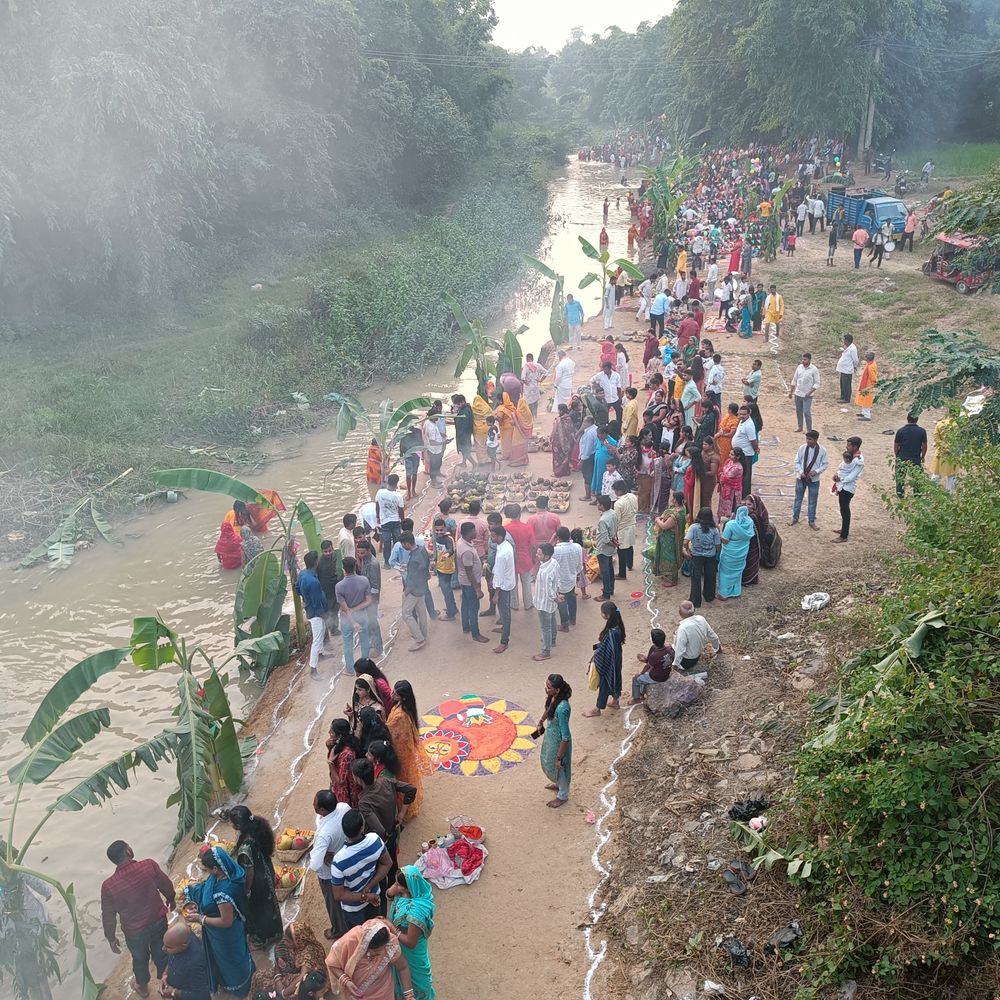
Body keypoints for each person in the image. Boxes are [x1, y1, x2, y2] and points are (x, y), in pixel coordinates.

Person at [101, 841, 175, 998]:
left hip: (134, 932)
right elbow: (165, 884)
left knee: (140, 958)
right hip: (157, 920)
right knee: (162, 951)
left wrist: (111, 938)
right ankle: (167, 984)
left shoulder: (108, 886)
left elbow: (108, 916)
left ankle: (142, 987)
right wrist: (171, 898)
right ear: (128, 851)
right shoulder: (148, 865)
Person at [184, 846, 255, 998]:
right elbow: (208, 884)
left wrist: (200, 918)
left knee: (229, 960)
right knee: (237, 955)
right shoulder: (232, 873)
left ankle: (239, 986)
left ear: (216, 869)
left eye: (208, 869)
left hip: (225, 935)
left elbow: (226, 921)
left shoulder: (222, 894)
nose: (207, 873)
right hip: (234, 928)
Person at [223, 806, 283, 949]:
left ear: (238, 826)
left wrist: (247, 890)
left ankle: (262, 939)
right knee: (269, 903)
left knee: (259, 909)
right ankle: (276, 932)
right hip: (267, 871)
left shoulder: (245, 848)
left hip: (257, 882)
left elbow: (249, 872)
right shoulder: (258, 829)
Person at [329, 811, 393, 931]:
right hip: (374, 896)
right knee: (375, 930)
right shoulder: (374, 840)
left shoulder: (338, 861)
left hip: (353, 909)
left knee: (359, 936)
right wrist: (370, 886)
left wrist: (365, 896)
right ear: (362, 827)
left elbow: (339, 895)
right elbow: (387, 863)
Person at [325, 917, 414, 1000]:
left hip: (384, 992)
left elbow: (403, 968)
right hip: (358, 995)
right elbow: (332, 964)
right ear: (365, 945)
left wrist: (409, 996)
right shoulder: (348, 942)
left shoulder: (390, 944)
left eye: (383, 948)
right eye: (376, 951)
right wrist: (345, 981)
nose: (381, 953)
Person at [387, 867, 436, 999]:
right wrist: (393, 890)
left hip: (411, 952)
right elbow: (390, 894)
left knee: (417, 980)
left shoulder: (416, 911)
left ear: (408, 888)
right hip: (400, 945)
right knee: (400, 974)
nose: (395, 886)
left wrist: (392, 929)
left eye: (398, 884)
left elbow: (411, 942)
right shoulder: (408, 891)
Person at [311, 789, 351, 941]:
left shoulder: (324, 834)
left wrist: (318, 852)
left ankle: (338, 930)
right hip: (344, 860)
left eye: (315, 804)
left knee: (333, 904)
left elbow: (315, 865)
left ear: (323, 810)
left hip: (329, 873)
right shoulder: (343, 807)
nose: (313, 805)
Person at [530, 673, 573, 806]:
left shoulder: (562, 708)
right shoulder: (554, 698)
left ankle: (563, 795)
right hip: (551, 737)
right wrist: (541, 721)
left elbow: (565, 736)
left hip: (560, 742)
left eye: (549, 687)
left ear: (557, 690)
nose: (546, 688)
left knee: (559, 767)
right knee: (550, 762)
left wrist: (559, 756)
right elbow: (549, 709)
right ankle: (558, 784)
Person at [253, 921, 327, 998]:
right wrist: (278, 978)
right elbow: (278, 961)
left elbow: (302, 978)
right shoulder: (293, 945)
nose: (285, 943)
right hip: (289, 973)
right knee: (258, 976)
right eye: (285, 939)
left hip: (307, 981)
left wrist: (283, 993)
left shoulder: (308, 954)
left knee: (272, 991)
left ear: (298, 941)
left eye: (288, 941)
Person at [583, 601, 626, 718]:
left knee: (605, 684)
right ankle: (615, 701)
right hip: (616, 660)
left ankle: (597, 709)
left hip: (608, 662)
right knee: (616, 678)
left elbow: (605, 650)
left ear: (607, 615)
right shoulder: (617, 626)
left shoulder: (612, 632)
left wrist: (595, 658)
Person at [336, 556, 373, 672]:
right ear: (355, 566)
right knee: (365, 639)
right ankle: (365, 666)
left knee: (348, 643)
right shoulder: (364, 580)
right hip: (362, 615)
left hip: (347, 619)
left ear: (343, 568)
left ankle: (350, 669)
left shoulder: (339, 586)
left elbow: (346, 609)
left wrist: (352, 618)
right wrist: (356, 609)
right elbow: (369, 601)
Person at [160, 922, 211, 1000]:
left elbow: (202, 996)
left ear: (183, 946)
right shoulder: (181, 939)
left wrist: (174, 992)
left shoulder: (194, 964)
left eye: (168, 947)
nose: (163, 948)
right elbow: (172, 958)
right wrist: (165, 974)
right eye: (164, 944)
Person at [399, 532, 431, 651]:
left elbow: (412, 581)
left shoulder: (413, 560)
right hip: (423, 587)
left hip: (414, 591)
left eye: (403, 544)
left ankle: (419, 639)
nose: (403, 546)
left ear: (407, 543)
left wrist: (406, 592)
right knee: (421, 612)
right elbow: (426, 566)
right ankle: (423, 635)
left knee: (406, 614)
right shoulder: (422, 550)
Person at [683, 506, 721, 608]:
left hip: (696, 556)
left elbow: (685, 542)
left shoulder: (693, 527)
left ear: (699, 515)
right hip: (710, 556)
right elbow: (718, 545)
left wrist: (687, 550)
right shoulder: (714, 530)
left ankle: (695, 600)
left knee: (696, 578)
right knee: (710, 576)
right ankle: (709, 596)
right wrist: (716, 551)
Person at [790, 430, 829, 528]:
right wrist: (801, 472)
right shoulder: (802, 448)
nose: (808, 441)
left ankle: (811, 521)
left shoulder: (822, 451)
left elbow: (825, 464)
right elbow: (797, 461)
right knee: (798, 499)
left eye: (810, 439)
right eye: (807, 439)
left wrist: (816, 471)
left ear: (816, 440)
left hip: (814, 479)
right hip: (801, 478)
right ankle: (795, 518)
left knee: (812, 501)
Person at [717, 505, 755, 600]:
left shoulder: (731, 525)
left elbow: (725, 540)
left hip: (729, 553)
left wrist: (720, 529)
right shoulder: (750, 523)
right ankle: (735, 591)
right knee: (737, 571)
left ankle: (724, 594)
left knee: (725, 572)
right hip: (742, 552)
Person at [502, 503, 535, 611]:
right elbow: (533, 545)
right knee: (526, 583)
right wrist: (533, 558)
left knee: (513, 583)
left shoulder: (505, 529)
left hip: (511, 560)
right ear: (519, 514)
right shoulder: (527, 527)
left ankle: (514, 604)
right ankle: (528, 604)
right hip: (525, 558)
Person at [671, 601, 721, 670]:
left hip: (685, 662)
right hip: (697, 656)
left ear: (680, 613)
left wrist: (675, 665)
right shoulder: (701, 619)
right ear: (694, 610)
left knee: (669, 647)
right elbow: (712, 636)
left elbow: (680, 649)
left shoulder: (683, 628)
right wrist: (718, 648)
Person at [490, 524, 516, 654]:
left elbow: (500, 576)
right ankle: (504, 628)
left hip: (503, 586)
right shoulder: (505, 545)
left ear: (500, 537)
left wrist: (496, 594)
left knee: (504, 612)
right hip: (507, 582)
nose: (491, 538)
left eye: (493, 536)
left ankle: (504, 641)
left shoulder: (502, 553)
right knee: (505, 610)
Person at [532, 542, 560, 661]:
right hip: (550, 602)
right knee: (552, 620)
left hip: (543, 602)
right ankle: (552, 640)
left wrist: (555, 597)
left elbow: (548, 591)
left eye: (539, 554)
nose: (536, 555)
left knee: (545, 627)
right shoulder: (554, 563)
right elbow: (557, 580)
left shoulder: (544, 572)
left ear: (546, 556)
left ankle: (545, 652)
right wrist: (557, 595)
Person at [628, 628, 672, 704]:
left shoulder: (655, 655)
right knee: (645, 675)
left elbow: (647, 666)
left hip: (657, 677)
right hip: (666, 673)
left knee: (636, 678)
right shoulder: (670, 649)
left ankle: (636, 699)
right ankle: (641, 694)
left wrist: (640, 674)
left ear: (653, 640)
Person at [552, 526, 583, 630]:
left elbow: (545, 555)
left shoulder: (555, 550)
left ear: (557, 537)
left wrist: (552, 540)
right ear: (569, 536)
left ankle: (565, 625)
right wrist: (576, 574)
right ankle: (573, 619)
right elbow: (580, 566)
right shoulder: (577, 547)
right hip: (572, 578)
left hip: (560, 581)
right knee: (572, 598)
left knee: (562, 602)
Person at [327, 719, 362, 809]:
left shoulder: (346, 754)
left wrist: (330, 764)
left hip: (347, 792)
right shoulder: (344, 743)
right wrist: (329, 747)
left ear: (339, 735)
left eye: (332, 732)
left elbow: (341, 781)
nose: (329, 733)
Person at [833, 443, 864, 542]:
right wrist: (837, 476)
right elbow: (842, 469)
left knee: (845, 511)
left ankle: (844, 535)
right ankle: (844, 530)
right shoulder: (851, 457)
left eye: (849, 445)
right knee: (843, 510)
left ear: (855, 447)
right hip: (844, 486)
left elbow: (851, 477)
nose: (847, 446)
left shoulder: (858, 461)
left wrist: (840, 479)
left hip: (847, 488)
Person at [374, 475, 405, 569]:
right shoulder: (398, 496)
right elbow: (401, 510)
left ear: (387, 482)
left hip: (384, 522)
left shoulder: (380, 492)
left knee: (386, 543)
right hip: (396, 521)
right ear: (396, 483)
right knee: (397, 542)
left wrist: (378, 517)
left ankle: (387, 563)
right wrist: (403, 520)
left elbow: (377, 505)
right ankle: (397, 560)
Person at [893, 412, 928, 497]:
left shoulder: (901, 431)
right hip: (915, 458)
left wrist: (897, 456)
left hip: (902, 457)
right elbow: (924, 446)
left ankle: (900, 495)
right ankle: (917, 495)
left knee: (900, 478)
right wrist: (922, 456)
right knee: (917, 478)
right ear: (917, 419)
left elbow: (896, 446)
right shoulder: (922, 431)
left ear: (907, 419)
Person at [494, 392, 533, 466]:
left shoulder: (501, 408)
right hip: (515, 429)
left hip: (508, 429)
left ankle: (507, 456)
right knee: (512, 442)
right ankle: (520, 458)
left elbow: (500, 418)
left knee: (507, 442)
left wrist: (492, 417)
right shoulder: (512, 406)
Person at [595, 495, 619, 600]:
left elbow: (605, 539)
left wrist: (612, 543)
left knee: (604, 571)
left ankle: (606, 594)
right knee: (610, 568)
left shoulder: (603, 520)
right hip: (611, 545)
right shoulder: (613, 513)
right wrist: (614, 542)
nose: (597, 505)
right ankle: (610, 588)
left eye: (598, 503)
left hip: (603, 548)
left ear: (602, 505)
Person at [612, 480, 638, 579]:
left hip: (622, 528)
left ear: (619, 491)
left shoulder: (618, 503)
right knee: (630, 546)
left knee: (621, 550)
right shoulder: (633, 496)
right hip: (632, 524)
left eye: (615, 491)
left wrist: (613, 532)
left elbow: (617, 519)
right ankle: (630, 565)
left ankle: (622, 574)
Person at [731, 404, 759, 498]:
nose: (742, 416)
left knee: (746, 475)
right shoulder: (742, 421)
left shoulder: (749, 425)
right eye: (740, 414)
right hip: (740, 452)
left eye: (744, 414)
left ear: (749, 414)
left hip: (746, 453)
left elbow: (753, 440)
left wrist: (756, 449)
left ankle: (745, 495)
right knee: (740, 473)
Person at [789, 353, 820, 433]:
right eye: (802, 359)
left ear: (809, 360)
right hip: (798, 393)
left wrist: (809, 392)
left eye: (805, 359)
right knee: (798, 411)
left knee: (806, 412)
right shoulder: (799, 367)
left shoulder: (814, 369)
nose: (803, 361)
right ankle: (800, 427)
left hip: (807, 395)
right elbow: (794, 380)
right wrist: (791, 392)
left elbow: (817, 383)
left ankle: (809, 429)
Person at [521, 353, 548, 418]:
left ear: (527, 359)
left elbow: (522, 377)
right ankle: (535, 415)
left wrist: (526, 382)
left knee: (529, 402)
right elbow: (546, 373)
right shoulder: (538, 365)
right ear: (533, 359)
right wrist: (540, 380)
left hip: (528, 388)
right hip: (535, 387)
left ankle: (531, 416)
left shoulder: (526, 366)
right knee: (535, 401)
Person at [577, 415, 598, 501]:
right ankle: (592, 492)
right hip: (594, 455)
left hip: (588, 457)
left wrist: (582, 460)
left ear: (589, 423)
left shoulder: (589, 434)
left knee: (587, 476)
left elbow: (587, 448)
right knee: (592, 474)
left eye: (584, 422)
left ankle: (587, 496)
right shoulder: (595, 429)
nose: (583, 424)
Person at [836, 334, 859, 403]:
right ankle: (842, 397)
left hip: (848, 369)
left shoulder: (853, 348)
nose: (843, 341)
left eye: (844, 340)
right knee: (842, 384)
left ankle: (846, 399)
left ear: (847, 341)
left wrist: (854, 366)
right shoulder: (846, 347)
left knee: (847, 385)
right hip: (843, 369)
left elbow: (855, 360)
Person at [855, 351, 878, 420]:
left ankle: (867, 416)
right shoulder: (872, 363)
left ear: (867, 359)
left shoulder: (870, 367)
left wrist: (870, 386)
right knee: (864, 399)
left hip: (868, 386)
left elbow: (873, 378)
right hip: (867, 385)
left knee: (866, 401)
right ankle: (863, 413)